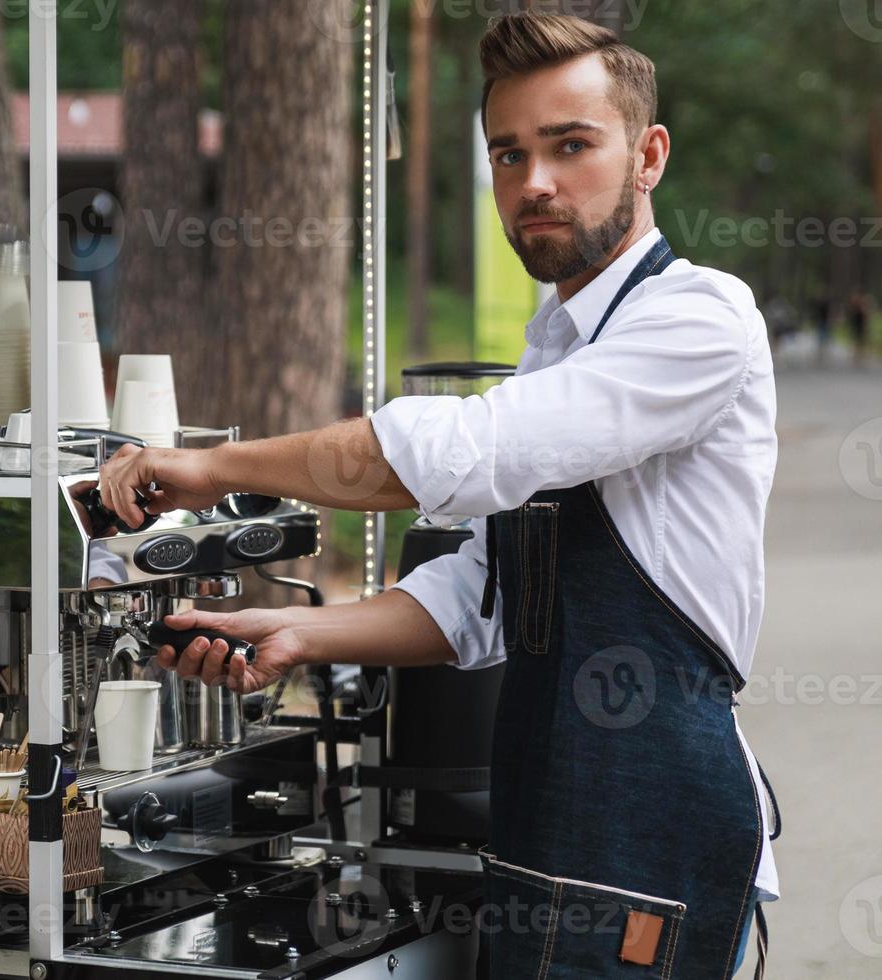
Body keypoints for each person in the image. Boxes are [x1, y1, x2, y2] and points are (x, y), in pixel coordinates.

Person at [99, 14, 777, 979]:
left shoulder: (698, 319)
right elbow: (483, 596)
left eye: (570, 145)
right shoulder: (556, 340)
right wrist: (295, 634)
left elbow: (462, 453)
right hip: (544, 821)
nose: (533, 182)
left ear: (647, 155)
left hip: (649, 827)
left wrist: (214, 467)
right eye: (509, 153)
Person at [846, 289, 871, 367]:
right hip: (857, 326)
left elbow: (865, 318)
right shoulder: (855, 308)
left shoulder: (860, 308)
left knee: (859, 341)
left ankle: (858, 355)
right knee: (858, 341)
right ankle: (857, 355)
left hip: (859, 326)